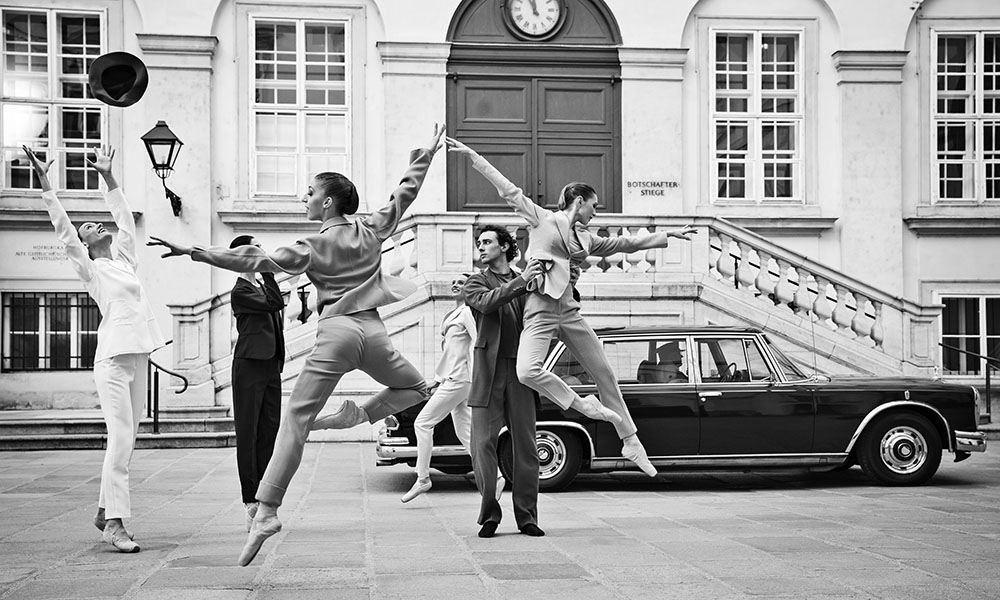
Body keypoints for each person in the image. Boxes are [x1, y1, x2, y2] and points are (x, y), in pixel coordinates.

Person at [148, 124, 446, 566]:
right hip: (376, 335)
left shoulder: (312, 245)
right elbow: (405, 194)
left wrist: (195, 251)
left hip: (337, 335)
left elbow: (252, 259)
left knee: (296, 421)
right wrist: (425, 155)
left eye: (309, 193)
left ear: (327, 201)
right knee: (419, 391)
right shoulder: (370, 230)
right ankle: (355, 417)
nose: (304, 198)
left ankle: (266, 510)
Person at [446, 137, 698, 477]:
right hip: (539, 310)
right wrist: (474, 157)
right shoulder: (543, 220)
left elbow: (622, 243)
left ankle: (631, 441)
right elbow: (509, 190)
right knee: (526, 371)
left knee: (604, 372)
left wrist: (666, 235)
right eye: (594, 206)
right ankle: (582, 404)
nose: (596, 213)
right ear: (578, 201)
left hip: (568, 310)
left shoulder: (585, 238)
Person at [23, 145, 164, 553]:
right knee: (119, 439)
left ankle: (105, 510)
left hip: (139, 355)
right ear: (84, 244)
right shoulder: (91, 269)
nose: (94, 225)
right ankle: (115, 524)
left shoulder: (122, 260)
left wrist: (108, 177)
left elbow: (124, 221)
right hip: (113, 362)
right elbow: (64, 230)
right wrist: (46, 185)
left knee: (129, 438)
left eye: (95, 223)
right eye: (88, 227)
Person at [464, 225, 546, 538]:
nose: (481, 247)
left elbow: (543, 312)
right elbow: (486, 303)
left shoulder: (527, 280)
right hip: (489, 371)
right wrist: (521, 283)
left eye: (487, 242)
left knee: (526, 447)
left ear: (505, 246)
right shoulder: (475, 281)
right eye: (478, 243)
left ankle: (527, 516)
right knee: (482, 445)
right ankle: (489, 515)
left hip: (522, 372)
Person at [400, 273, 476, 503]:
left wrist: (475, 378)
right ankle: (494, 473)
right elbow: (451, 353)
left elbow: (478, 344)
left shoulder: (469, 313)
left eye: (461, 283)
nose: (455, 284)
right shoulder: (454, 313)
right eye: (454, 281)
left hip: (460, 380)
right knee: (465, 432)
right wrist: (438, 378)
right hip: (452, 379)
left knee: (422, 423)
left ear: (470, 289)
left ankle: (423, 478)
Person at [228, 235, 285, 531]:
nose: (263, 250)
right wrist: (267, 269)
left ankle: (265, 498)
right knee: (248, 434)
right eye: (257, 247)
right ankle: (250, 500)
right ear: (243, 255)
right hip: (248, 367)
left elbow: (276, 310)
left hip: (270, 366)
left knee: (269, 433)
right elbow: (274, 303)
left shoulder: (261, 287)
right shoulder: (239, 291)